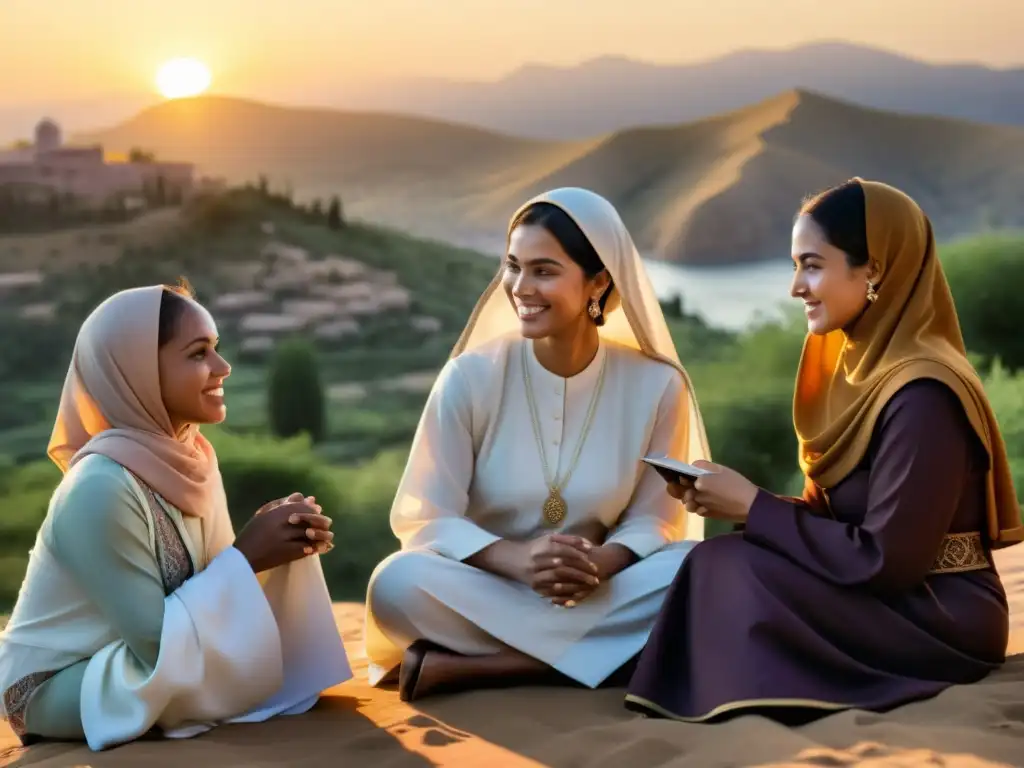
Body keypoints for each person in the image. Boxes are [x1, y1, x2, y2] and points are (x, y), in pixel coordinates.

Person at [625, 178, 1023, 723]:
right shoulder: (855, 372)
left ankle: (739, 691)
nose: (796, 287)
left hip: (936, 612)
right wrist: (741, 500)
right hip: (879, 592)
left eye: (812, 265)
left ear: (875, 269)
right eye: (795, 265)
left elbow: (887, 559)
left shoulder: (924, 393)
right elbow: (839, 523)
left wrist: (754, 508)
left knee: (734, 569)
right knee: (714, 559)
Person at [363, 187, 711, 701]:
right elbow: (427, 516)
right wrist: (519, 561)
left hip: (600, 587)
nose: (521, 287)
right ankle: (607, 658)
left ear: (598, 282)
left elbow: (655, 519)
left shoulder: (658, 386)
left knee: (697, 568)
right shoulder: (470, 377)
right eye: (513, 266)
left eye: (544, 271)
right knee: (395, 582)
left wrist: (603, 564)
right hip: (489, 586)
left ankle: (493, 667)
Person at [0, 283, 353, 751]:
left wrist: (278, 540)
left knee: (232, 669)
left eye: (217, 350)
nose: (222, 368)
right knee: (196, 679)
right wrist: (248, 557)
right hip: (57, 684)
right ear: (139, 371)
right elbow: (158, 645)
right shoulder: (99, 488)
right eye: (198, 354)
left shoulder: (192, 458)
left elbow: (202, 588)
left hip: (135, 658)